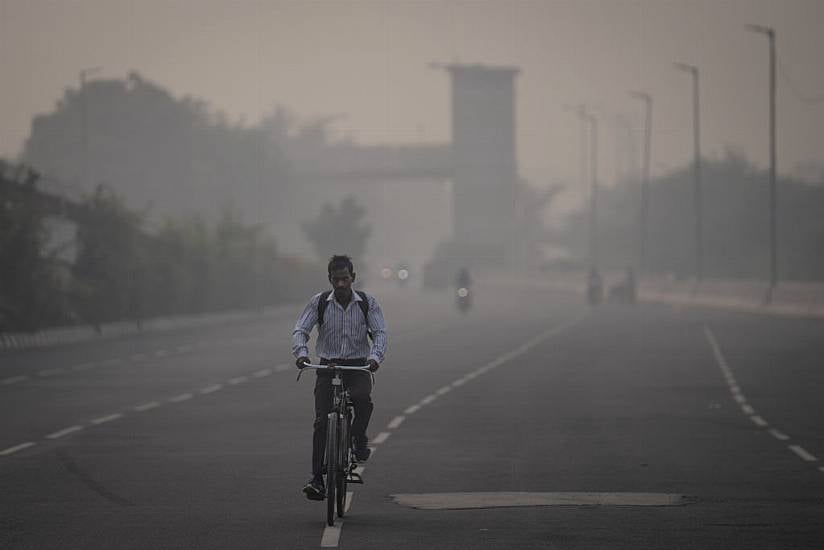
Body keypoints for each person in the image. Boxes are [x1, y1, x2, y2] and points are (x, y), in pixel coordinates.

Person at [292, 255, 388, 501]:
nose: (341, 284)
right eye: (336, 280)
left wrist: (375, 357)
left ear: (353, 278)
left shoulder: (367, 303)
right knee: (321, 422)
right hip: (328, 367)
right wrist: (302, 354)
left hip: (358, 367)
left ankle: (358, 438)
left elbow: (380, 333)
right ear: (330, 280)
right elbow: (301, 330)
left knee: (362, 399)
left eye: (345, 279)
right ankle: (316, 479)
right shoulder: (320, 302)